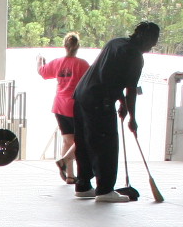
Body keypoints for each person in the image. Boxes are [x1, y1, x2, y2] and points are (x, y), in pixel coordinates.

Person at [72, 21, 161, 203]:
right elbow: (130, 89)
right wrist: (132, 117)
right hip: (99, 100)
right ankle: (105, 190)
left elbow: (110, 76)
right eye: (153, 43)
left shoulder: (116, 43)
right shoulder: (135, 56)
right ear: (148, 39)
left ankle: (83, 185)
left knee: (85, 142)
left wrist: (122, 103)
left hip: (82, 95)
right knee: (106, 145)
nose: (151, 48)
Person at [39, 33, 90, 184]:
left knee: (68, 141)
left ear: (65, 46)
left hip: (59, 105)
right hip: (75, 105)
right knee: (82, 139)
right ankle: (64, 161)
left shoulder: (57, 62)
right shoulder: (82, 64)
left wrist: (39, 62)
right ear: (77, 46)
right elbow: (90, 82)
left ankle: (70, 175)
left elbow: (42, 72)